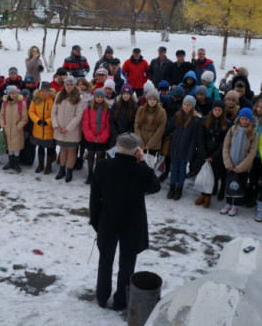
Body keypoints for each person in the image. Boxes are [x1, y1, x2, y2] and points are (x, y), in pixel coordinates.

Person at [89, 132, 160, 311]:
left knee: (105, 261)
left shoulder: (103, 166)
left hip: (107, 220)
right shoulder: (141, 170)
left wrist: (96, 222)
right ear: (137, 150)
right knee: (127, 263)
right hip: (132, 223)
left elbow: (94, 199)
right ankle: (121, 300)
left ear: (118, 147)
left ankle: (102, 296)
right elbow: (155, 186)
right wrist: (143, 162)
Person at [220, 107, 258, 217]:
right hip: (231, 164)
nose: (244, 121)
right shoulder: (232, 129)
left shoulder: (254, 134)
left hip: (242, 167)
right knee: (229, 184)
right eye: (242, 118)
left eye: (246, 119)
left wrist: (241, 167)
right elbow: (226, 146)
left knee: (239, 185)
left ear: (250, 120)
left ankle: (235, 205)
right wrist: (228, 163)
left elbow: (252, 152)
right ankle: (227, 203)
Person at [194, 101, 230, 208]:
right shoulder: (205, 120)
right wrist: (204, 153)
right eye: (215, 110)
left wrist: (214, 156)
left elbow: (224, 142)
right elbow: (200, 137)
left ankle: (208, 195)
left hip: (216, 155)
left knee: (212, 176)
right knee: (203, 174)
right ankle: (202, 194)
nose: (217, 112)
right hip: (204, 152)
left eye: (219, 110)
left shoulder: (226, 123)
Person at [166, 95, 201, 200]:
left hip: (185, 150)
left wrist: (190, 154)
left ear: (192, 107)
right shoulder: (178, 115)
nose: (185, 107)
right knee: (174, 168)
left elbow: (194, 139)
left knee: (182, 170)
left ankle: (179, 189)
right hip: (174, 147)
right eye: (184, 104)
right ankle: (172, 187)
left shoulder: (195, 120)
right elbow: (169, 128)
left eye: (188, 105)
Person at [52, 76, 84, 182]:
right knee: (62, 149)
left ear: (74, 85)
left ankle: (69, 171)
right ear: (64, 85)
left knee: (71, 150)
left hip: (72, 130)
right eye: (67, 85)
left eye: (71, 85)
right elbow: (54, 112)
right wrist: (56, 125)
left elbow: (78, 115)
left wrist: (68, 128)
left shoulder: (79, 98)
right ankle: (62, 170)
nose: (69, 87)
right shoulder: (59, 96)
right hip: (59, 129)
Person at [82, 89, 111, 184]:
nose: (100, 99)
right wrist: (91, 136)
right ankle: (90, 174)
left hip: (102, 138)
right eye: (98, 97)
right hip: (91, 137)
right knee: (91, 154)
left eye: (102, 97)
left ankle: (98, 174)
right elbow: (85, 123)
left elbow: (108, 125)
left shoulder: (107, 109)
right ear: (94, 97)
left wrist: (101, 137)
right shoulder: (89, 108)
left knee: (100, 155)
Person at [0, 86, 28, 172]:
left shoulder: (21, 103)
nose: (14, 95)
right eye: (12, 93)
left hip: (17, 130)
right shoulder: (4, 103)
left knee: (16, 147)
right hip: (7, 128)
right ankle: (10, 162)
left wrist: (18, 126)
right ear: (8, 94)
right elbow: (1, 115)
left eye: (15, 93)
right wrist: (2, 125)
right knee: (10, 146)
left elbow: (24, 118)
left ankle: (16, 163)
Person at [29, 82, 56, 174]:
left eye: (47, 91)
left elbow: (55, 114)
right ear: (40, 91)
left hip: (49, 129)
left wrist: (47, 121)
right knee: (40, 148)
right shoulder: (36, 99)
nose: (45, 93)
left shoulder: (53, 99)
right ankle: (40, 165)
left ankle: (48, 166)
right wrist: (37, 121)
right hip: (38, 129)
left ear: (49, 91)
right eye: (43, 91)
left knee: (50, 148)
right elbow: (31, 112)